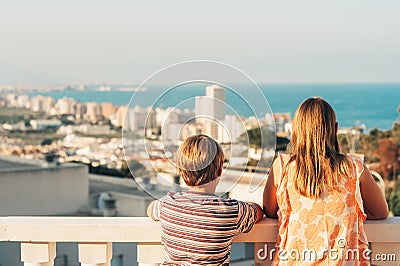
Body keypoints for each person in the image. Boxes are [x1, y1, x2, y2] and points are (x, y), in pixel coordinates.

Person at [263, 97, 389, 265]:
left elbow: (270, 210)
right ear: (335, 129)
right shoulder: (354, 168)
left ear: (296, 130)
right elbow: (381, 212)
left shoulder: (282, 167)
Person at [148, 134, 263, 265]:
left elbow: (151, 209)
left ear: (180, 170)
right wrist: (243, 205)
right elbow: (257, 211)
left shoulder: (166, 204)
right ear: (219, 170)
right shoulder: (231, 210)